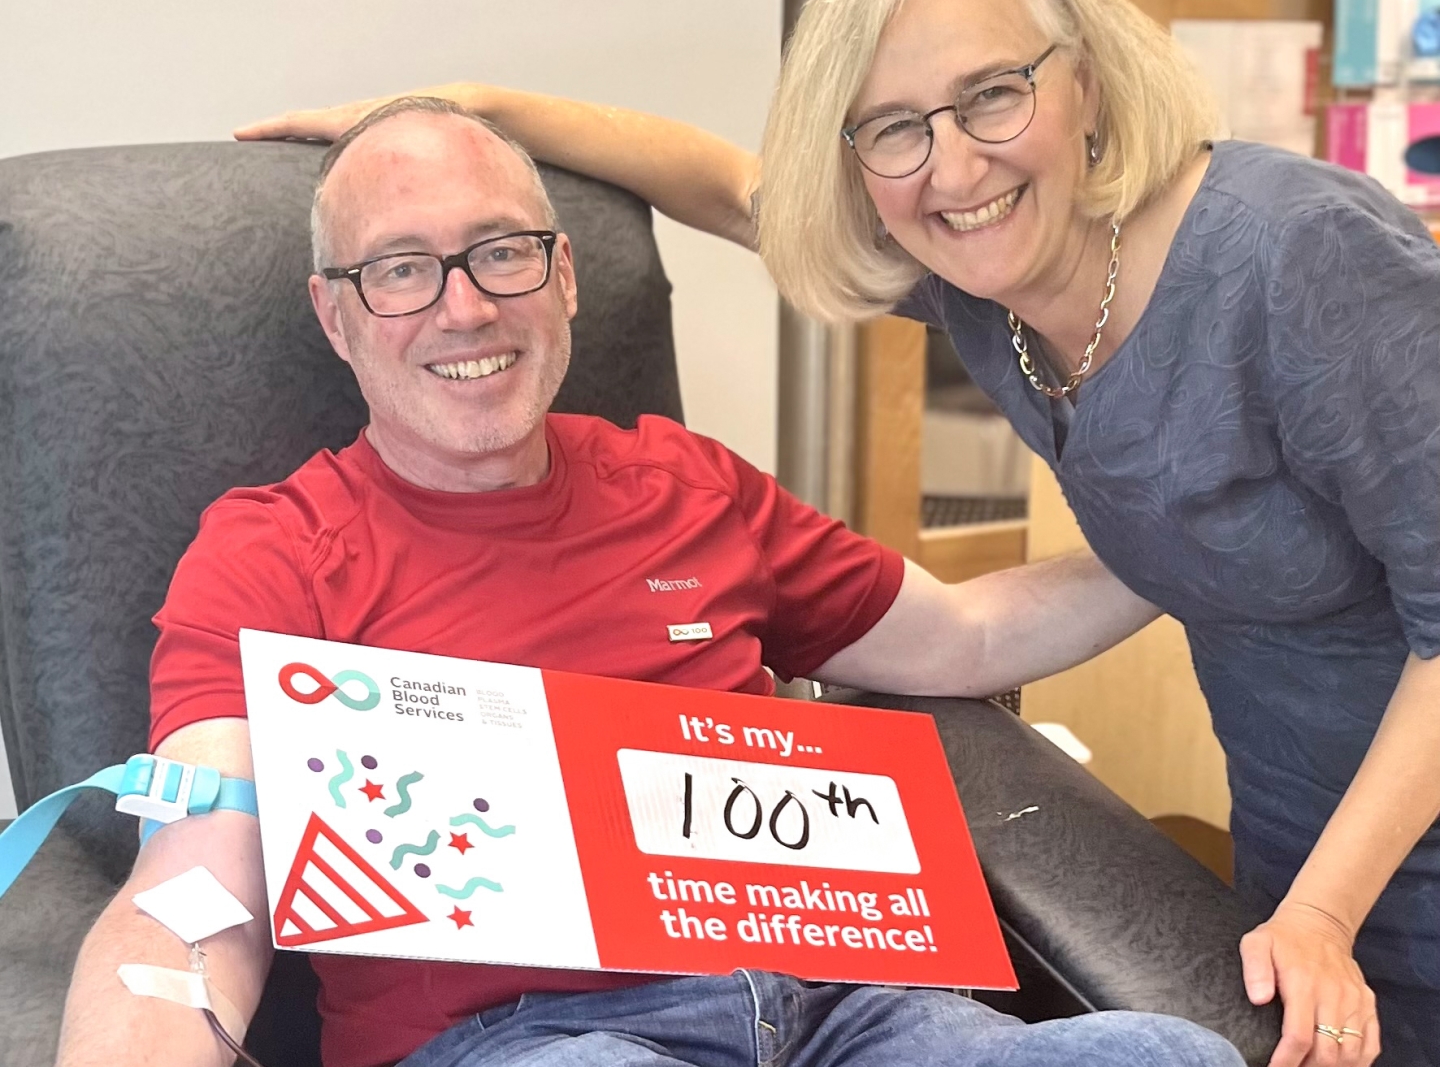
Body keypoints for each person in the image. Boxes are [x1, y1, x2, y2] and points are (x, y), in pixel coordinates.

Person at [237, 0, 1440, 1067]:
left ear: (1085, 77)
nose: (953, 164)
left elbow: (973, 633)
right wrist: (468, 114)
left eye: (994, 92)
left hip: (1374, 849)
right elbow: (732, 187)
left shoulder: (1296, 255)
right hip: (1312, 836)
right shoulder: (982, 275)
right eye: (893, 128)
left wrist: (1325, 911)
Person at [58, 97, 1242, 1067]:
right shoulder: (272, 556)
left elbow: (971, 636)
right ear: (336, 315)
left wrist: (1209, 532)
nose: (464, 305)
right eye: (401, 271)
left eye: (501, 252)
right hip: (530, 1042)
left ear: (564, 277)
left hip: (849, 1016)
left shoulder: (686, 487)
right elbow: (194, 891)